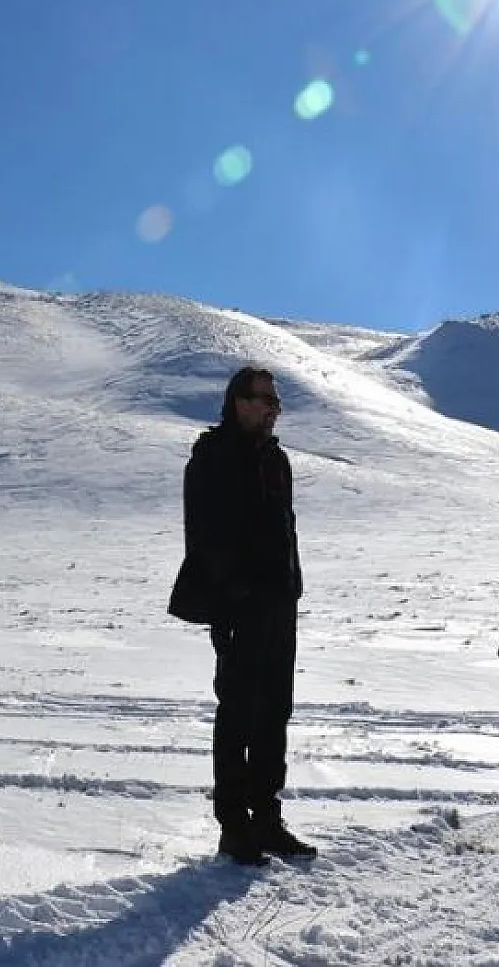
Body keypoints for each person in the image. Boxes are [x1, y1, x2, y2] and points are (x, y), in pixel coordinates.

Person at [169, 366, 315, 865]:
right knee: (238, 714)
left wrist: (290, 588)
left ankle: (267, 820)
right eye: (265, 399)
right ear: (239, 402)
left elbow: (283, 530)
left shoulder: (276, 459)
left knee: (275, 713)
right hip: (240, 608)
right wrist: (235, 596)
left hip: (279, 606)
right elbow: (204, 536)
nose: (274, 408)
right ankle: (235, 828)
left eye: (276, 400)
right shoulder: (212, 456)